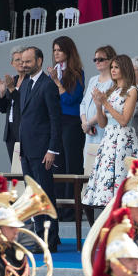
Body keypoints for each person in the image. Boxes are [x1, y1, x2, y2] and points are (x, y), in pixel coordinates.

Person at [17, 46, 62, 251]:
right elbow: (24, 118)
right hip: (27, 151)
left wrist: (52, 149)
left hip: (43, 151)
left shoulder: (48, 85)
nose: (24, 65)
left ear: (39, 61)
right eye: (22, 62)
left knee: (45, 195)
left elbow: (55, 120)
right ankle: (40, 236)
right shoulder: (25, 83)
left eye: (28, 61)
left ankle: (49, 241)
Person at [82, 54, 138, 211]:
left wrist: (105, 103)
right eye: (112, 67)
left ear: (125, 68)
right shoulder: (111, 90)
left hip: (123, 139)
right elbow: (102, 123)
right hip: (108, 138)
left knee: (121, 180)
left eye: (116, 67)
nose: (113, 70)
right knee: (107, 181)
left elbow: (124, 120)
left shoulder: (132, 90)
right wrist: (97, 105)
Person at [48, 36, 86, 194]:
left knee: (72, 164)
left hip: (71, 122)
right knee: (57, 164)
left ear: (68, 52)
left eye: (60, 50)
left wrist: (57, 82)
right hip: (56, 122)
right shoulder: (53, 72)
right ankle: (60, 206)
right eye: (54, 50)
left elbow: (71, 99)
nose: (56, 53)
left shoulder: (76, 73)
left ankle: (72, 206)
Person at [80, 44, 116, 178]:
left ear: (111, 60)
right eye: (95, 60)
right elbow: (83, 103)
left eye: (101, 59)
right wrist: (84, 122)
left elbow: (107, 107)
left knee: (103, 169)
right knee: (89, 169)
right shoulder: (93, 80)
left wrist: (89, 123)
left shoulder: (114, 82)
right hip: (88, 131)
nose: (97, 62)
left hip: (102, 129)